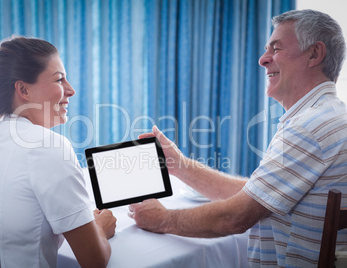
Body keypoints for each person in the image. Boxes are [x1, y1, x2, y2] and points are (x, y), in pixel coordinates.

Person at [128, 9, 347, 267]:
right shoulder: (330, 117)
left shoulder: (308, 128)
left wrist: (161, 219)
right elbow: (256, 197)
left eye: (276, 49)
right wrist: (179, 164)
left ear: (314, 54)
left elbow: (235, 217)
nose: (263, 60)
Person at [0, 36, 116, 268]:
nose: (71, 90)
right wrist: (100, 229)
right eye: (59, 80)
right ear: (23, 89)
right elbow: (94, 261)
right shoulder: (47, 146)